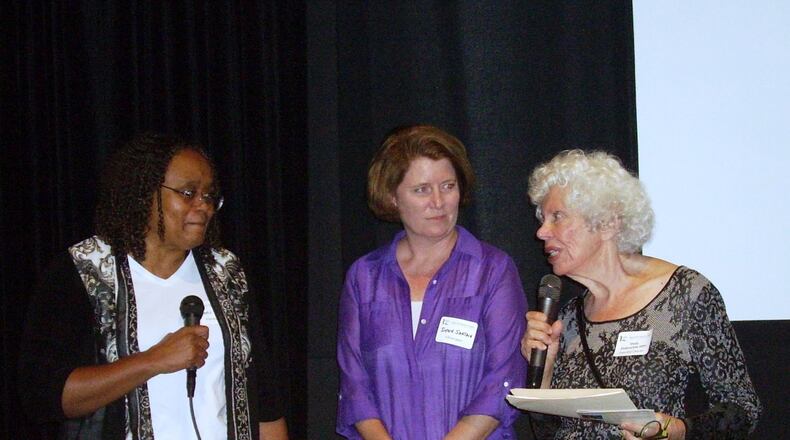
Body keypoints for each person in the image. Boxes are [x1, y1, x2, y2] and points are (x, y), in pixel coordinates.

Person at [19, 133, 288, 440]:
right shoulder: (84, 272)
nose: (204, 206)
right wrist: (154, 360)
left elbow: (265, 400)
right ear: (143, 193)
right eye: (188, 193)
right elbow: (44, 396)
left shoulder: (226, 272)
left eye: (210, 196)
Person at [520, 150, 761, 439]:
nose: (542, 232)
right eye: (542, 219)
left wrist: (675, 430)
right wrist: (544, 377)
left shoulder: (685, 294)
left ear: (608, 223)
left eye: (557, 217)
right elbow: (552, 433)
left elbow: (743, 410)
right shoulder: (569, 317)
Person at [336, 124, 527, 439]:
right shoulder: (364, 277)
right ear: (392, 197)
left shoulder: (493, 271)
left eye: (448, 186)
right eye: (422, 189)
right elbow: (355, 388)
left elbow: (503, 381)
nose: (439, 202)